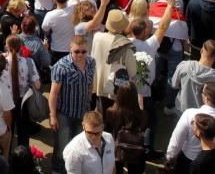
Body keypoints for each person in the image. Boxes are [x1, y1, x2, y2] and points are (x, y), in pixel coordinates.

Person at [49, 35, 95, 174]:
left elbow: (90, 84)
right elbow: (53, 93)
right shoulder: (61, 66)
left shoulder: (91, 62)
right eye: (77, 51)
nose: (80, 55)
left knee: (79, 145)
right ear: (70, 50)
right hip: (64, 113)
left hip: (82, 112)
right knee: (62, 146)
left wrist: (89, 103)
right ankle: (57, 170)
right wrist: (52, 115)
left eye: (83, 51)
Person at [104, 82, 148, 174]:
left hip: (117, 149)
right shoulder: (142, 114)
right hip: (136, 150)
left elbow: (107, 132)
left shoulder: (111, 112)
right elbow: (143, 129)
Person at [170, 40, 215, 113]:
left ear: (201, 51)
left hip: (181, 110)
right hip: (200, 117)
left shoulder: (184, 66)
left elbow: (174, 85)